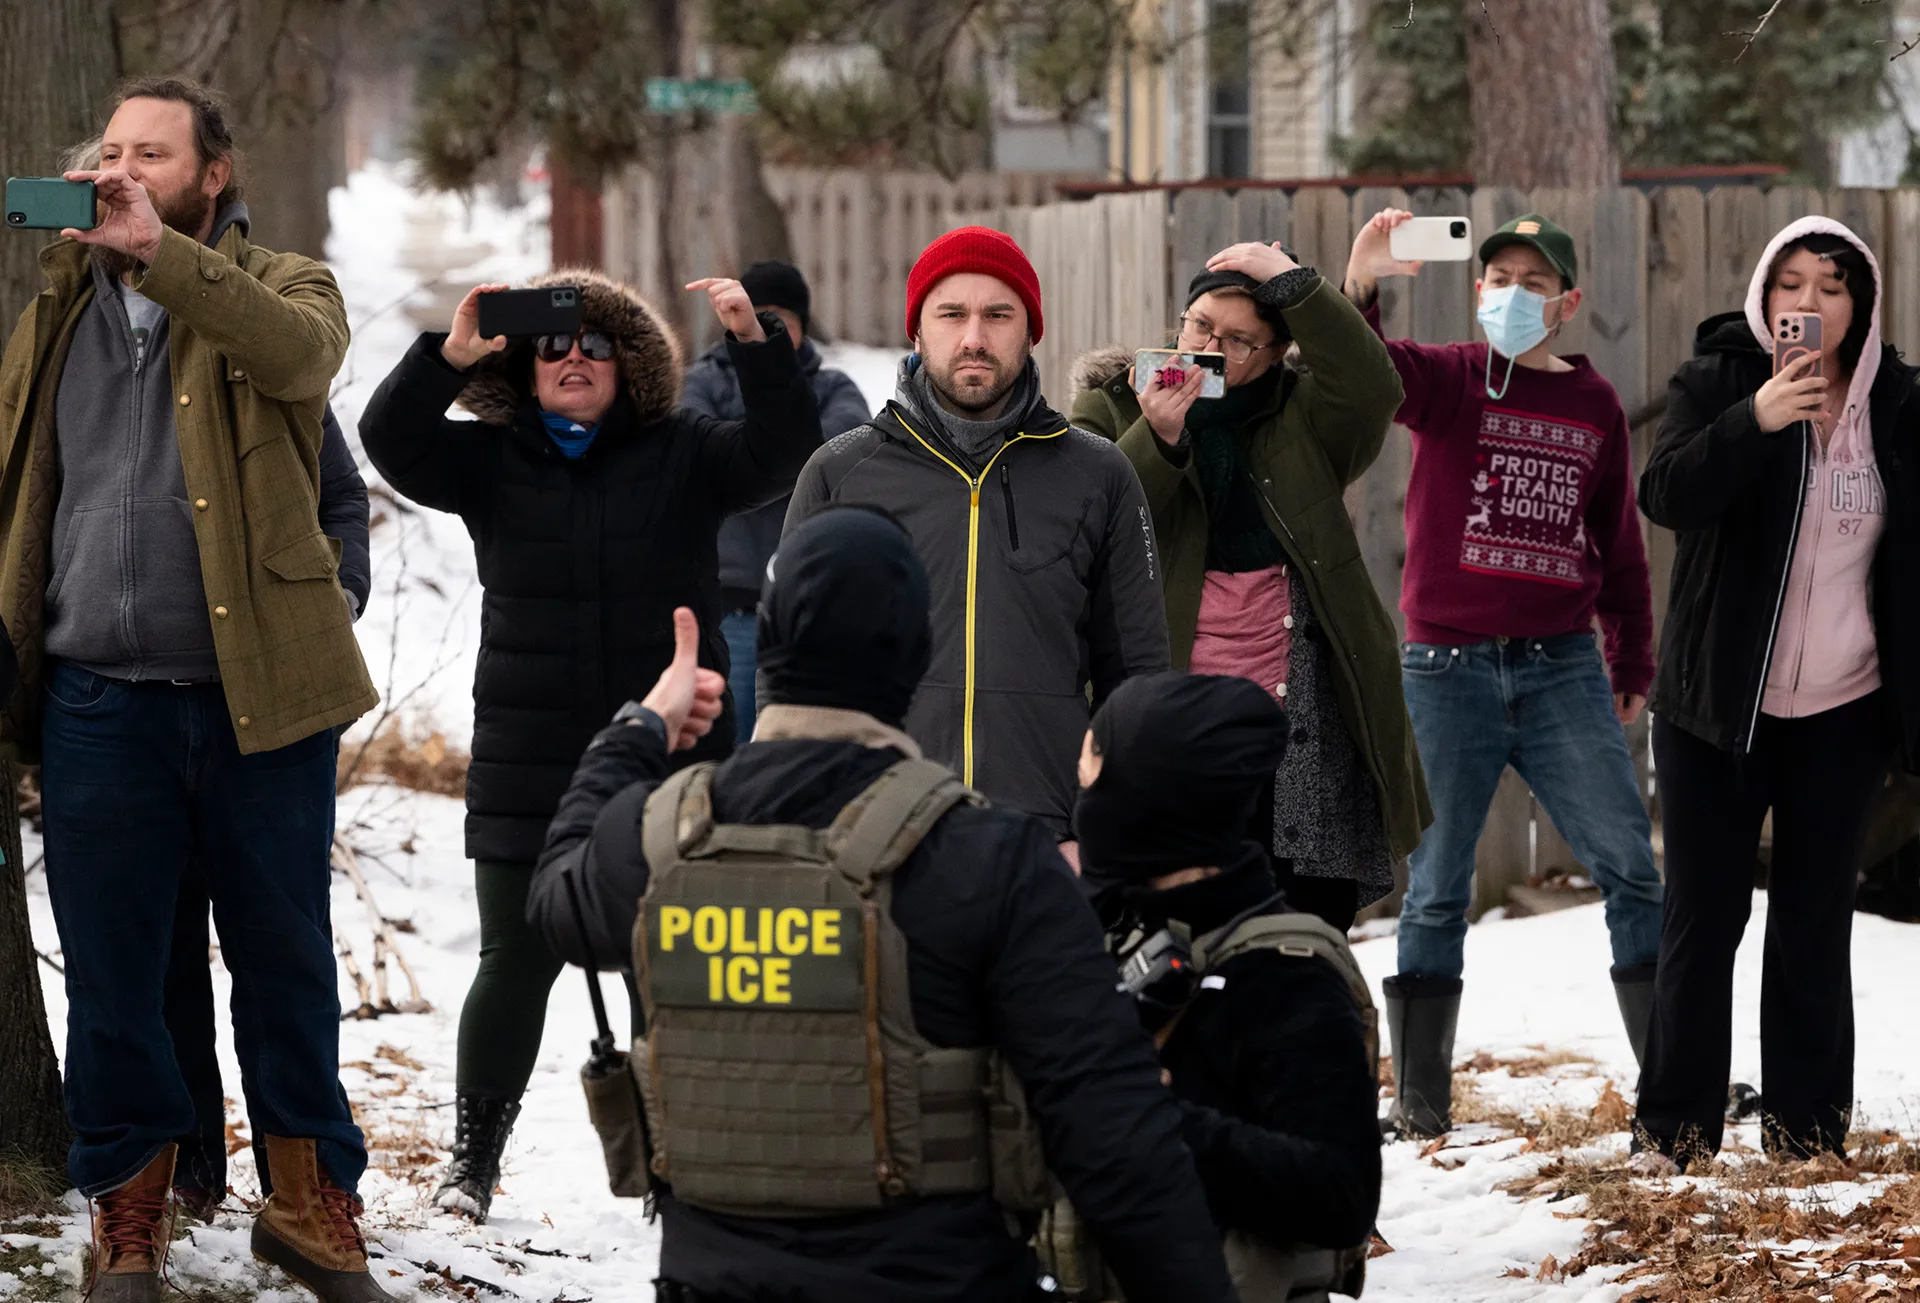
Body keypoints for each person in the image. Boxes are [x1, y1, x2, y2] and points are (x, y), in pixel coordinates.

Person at [526, 507, 1236, 1303]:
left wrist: (638, 729)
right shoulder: (990, 858)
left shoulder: (654, 837)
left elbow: (556, 892)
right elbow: (1118, 1140)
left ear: (772, 643)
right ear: (916, 655)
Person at [0, 78, 385, 1302]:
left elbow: (302, 362)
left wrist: (159, 257)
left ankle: (313, 1205)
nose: (120, 167)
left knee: (284, 960)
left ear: (210, 175)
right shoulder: (51, 312)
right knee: (114, 974)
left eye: (150, 153)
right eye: (108, 149)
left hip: (260, 699)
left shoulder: (288, 287)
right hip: (97, 702)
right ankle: (128, 1213)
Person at [358, 263, 821, 1221]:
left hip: (670, 752)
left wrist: (752, 344)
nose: (575, 356)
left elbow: (785, 451)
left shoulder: (685, 451)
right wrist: (449, 355)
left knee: (669, 958)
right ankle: (473, 1164)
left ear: (630, 367)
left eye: (599, 345)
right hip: (527, 754)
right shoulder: (489, 461)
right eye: (556, 345)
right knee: (512, 960)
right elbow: (389, 438)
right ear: (526, 369)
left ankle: (676, 1166)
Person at [1339, 210, 1664, 1137]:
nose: (1511, 295)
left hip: (1563, 669)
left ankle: (1670, 1089)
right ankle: (1423, 1106)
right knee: (1437, 885)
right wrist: (1361, 285)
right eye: (1497, 279)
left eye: (1532, 282)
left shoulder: (1595, 405)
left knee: (1631, 870)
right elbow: (1361, 375)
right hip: (1446, 669)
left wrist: (1631, 651)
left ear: (1566, 303)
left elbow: (1621, 543)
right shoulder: (1450, 380)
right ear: (1475, 292)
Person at [1633, 215, 1920, 1169]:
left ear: (1861, 304)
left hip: (1846, 708)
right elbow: (1664, 494)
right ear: (1764, 297)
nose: (1808, 301)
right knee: (1703, 917)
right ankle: (1675, 1130)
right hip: (1719, 704)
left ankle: (1806, 1134)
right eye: (1791, 282)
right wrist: (1754, 420)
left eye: (1831, 285)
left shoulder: (1902, 404)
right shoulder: (1719, 378)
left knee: (1813, 919)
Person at [1071, 241, 1427, 932]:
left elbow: (1373, 388)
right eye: (1200, 325)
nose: (1210, 347)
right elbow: (1088, 524)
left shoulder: (1304, 414)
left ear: (1273, 354)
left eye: (1239, 340)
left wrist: (1295, 285)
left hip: (1300, 722)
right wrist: (1159, 435)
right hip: (1168, 717)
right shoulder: (1114, 400)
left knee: (1302, 919)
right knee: (1167, 917)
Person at [784, 226, 1169, 861]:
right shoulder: (840, 474)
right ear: (917, 330)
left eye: (998, 315)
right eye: (951, 314)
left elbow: (1138, 679)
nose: (974, 338)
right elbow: (795, 675)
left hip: (1045, 844)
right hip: (880, 843)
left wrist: (1104, 837)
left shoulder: (1098, 476)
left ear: (1030, 329)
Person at [1074, 672, 1383, 1302]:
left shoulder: (1283, 971)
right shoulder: (1108, 933)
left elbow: (1340, 1196)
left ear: (1149, 797)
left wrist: (1147, 1116)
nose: (1081, 792)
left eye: (1094, 768)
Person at [167, 403, 373, 1218]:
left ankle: (310, 1180)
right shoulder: (95, 362)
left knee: (284, 948)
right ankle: (183, 1166)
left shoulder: (266, 354)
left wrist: (339, 594)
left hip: (277, 701)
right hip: (131, 698)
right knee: (156, 950)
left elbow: (343, 497)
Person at [680, 259, 871, 743]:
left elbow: (837, 461)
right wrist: (770, 455)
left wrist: (757, 460)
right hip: (732, 605)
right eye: (753, 313)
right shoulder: (703, 380)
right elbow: (699, 461)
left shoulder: (834, 388)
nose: (763, 326)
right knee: (733, 742)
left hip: (814, 606)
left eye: (779, 319)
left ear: (802, 327)